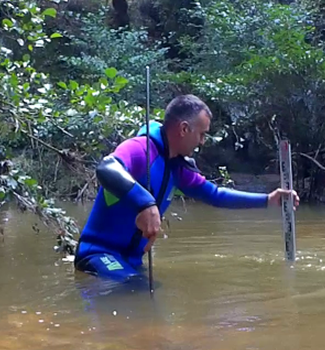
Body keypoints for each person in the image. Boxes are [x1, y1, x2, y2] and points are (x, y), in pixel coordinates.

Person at [74, 94, 300, 282]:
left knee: (147, 292)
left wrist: (268, 199)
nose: (202, 142)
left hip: (130, 261)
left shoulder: (177, 168)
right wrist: (146, 203)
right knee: (135, 291)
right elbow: (106, 168)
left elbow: (215, 195)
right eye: (201, 134)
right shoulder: (140, 149)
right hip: (98, 253)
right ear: (184, 129)